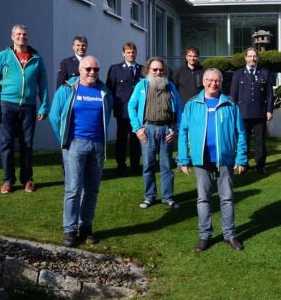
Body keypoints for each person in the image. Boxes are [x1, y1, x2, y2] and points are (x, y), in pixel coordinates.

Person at [177, 69, 248, 252]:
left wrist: (241, 158)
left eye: (216, 81)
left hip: (224, 159)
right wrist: (183, 159)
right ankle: (205, 236)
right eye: (209, 80)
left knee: (227, 198)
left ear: (221, 82)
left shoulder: (230, 104)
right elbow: (183, 132)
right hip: (201, 160)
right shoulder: (192, 104)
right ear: (203, 81)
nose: (213, 84)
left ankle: (229, 235)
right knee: (203, 199)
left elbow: (240, 132)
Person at [49, 56, 112, 247]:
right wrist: (64, 140)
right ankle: (69, 229)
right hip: (75, 145)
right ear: (80, 70)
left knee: (92, 190)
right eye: (88, 69)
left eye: (96, 69)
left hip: (97, 146)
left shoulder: (103, 91)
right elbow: (54, 117)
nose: (92, 72)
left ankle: (86, 227)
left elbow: (106, 114)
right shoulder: (67, 89)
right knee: (73, 189)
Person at [0, 24, 49, 194]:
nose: (22, 37)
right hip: (6, 105)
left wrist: (44, 106)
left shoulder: (37, 58)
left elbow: (43, 84)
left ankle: (27, 179)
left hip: (29, 106)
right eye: (19, 34)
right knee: (6, 143)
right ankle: (8, 180)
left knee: (27, 144)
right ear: (12, 37)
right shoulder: (3, 56)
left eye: (25, 34)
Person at [128, 57, 183, 209]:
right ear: (148, 70)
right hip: (148, 129)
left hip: (167, 129)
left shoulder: (170, 86)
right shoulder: (142, 85)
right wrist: (137, 128)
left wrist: (176, 128)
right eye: (155, 69)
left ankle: (168, 197)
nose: (158, 72)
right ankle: (149, 196)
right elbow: (131, 106)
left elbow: (178, 107)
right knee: (148, 165)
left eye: (161, 69)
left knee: (166, 165)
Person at [230, 47, 274, 173]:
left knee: (260, 141)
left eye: (254, 56)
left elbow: (269, 94)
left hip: (260, 113)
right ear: (245, 58)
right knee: (244, 140)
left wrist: (269, 110)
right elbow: (233, 95)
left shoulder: (265, 73)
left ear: (257, 58)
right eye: (250, 56)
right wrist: (233, 112)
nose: (252, 58)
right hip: (243, 113)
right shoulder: (238, 74)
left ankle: (260, 165)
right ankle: (243, 163)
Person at [106, 42, 143, 176]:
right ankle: (121, 165)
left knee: (135, 139)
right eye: (128, 52)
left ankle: (135, 166)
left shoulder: (142, 69)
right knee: (121, 139)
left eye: (133, 52)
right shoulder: (115, 69)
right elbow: (110, 89)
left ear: (136, 53)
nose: (131, 54)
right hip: (122, 111)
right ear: (123, 54)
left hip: (138, 111)